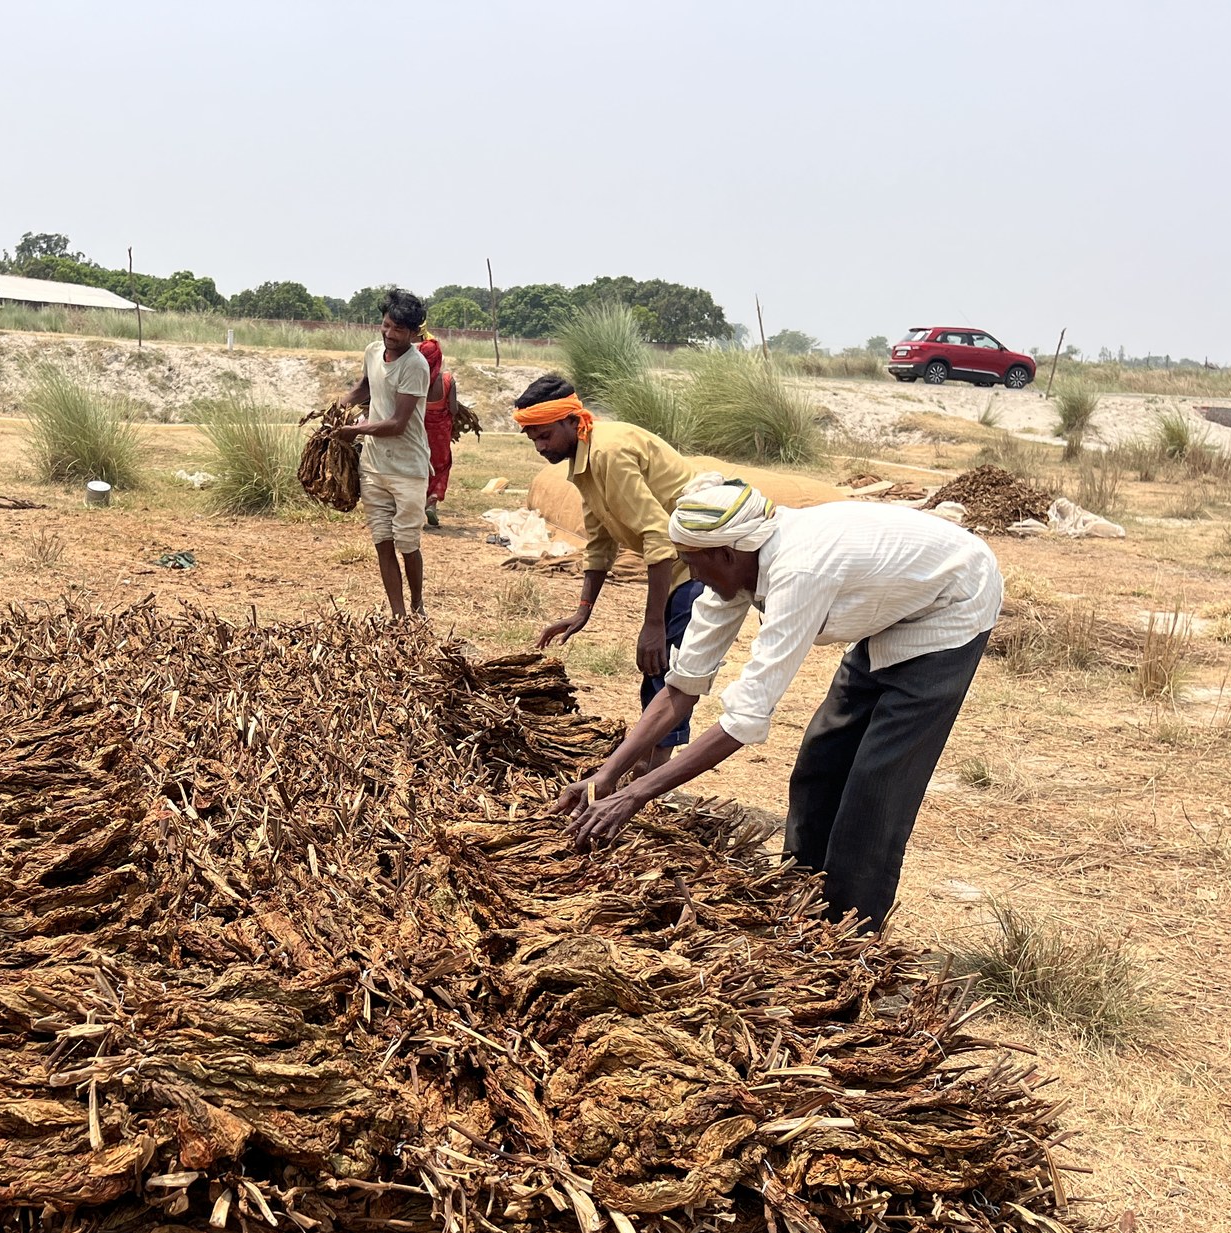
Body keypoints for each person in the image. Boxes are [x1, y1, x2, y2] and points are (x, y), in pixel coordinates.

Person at [560, 478, 1003, 933]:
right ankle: (800, 896)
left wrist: (637, 794)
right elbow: (681, 687)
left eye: (693, 563)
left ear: (727, 555)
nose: (692, 576)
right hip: (892, 605)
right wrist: (608, 774)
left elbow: (744, 720)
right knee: (821, 759)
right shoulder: (732, 572)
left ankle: (849, 932)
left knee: (876, 783)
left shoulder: (800, 572)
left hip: (951, 603)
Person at [517, 375, 706, 775]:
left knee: (667, 663)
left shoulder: (609, 454)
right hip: (678, 564)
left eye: (546, 435)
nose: (540, 447)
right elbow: (601, 541)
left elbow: (658, 536)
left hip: (702, 562)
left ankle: (652, 769)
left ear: (572, 421)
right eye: (533, 438)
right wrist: (583, 610)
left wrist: (651, 623)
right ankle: (648, 762)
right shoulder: (582, 461)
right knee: (658, 667)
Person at [333, 288, 431, 617]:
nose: (390, 334)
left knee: (407, 543)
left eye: (399, 330)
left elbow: (397, 423)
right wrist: (338, 407)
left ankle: (417, 608)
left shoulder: (415, 366)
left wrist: (355, 430)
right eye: (386, 325)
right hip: (373, 466)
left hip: (407, 468)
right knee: (382, 541)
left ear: (415, 332)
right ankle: (399, 616)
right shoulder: (373, 352)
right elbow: (365, 386)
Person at [417, 331, 458, 529]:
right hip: (441, 433)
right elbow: (454, 409)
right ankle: (432, 500)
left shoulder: (414, 379)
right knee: (441, 465)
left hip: (418, 431)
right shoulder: (448, 380)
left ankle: (415, 504)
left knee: (420, 465)